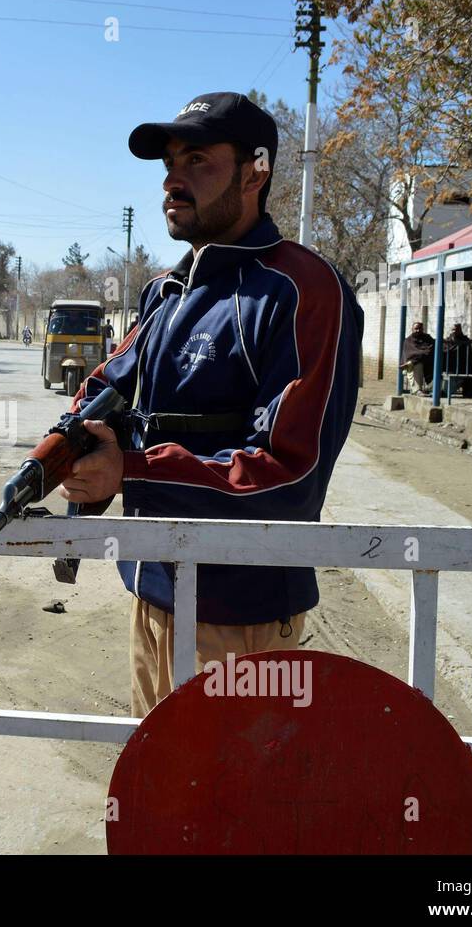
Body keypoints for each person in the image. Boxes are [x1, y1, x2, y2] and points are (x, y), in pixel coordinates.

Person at [58, 91, 363, 718]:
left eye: (197, 159)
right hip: (155, 591)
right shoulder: (167, 290)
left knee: (235, 809)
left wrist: (134, 469)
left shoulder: (303, 290)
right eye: (169, 163)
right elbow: (107, 385)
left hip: (239, 611)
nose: (173, 179)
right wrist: (71, 443)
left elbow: (292, 476)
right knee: (159, 799)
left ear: (257, 169)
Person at [443, 323, 472, 398]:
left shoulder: (465, 340)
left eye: (457, 330)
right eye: (453, 330)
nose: (455, 331)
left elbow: (469, 355)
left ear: (460, 330)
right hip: (451, 365)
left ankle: (469, 393)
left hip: (465, 365)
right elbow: (446, 352)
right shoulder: (448, 341)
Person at [400, 322, 435, 394]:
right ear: (412, 329)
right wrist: (417, 357)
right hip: (415, 362)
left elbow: (430, 350)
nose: (418, 330)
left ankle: (432, 388)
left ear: (423, 329)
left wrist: (420, 354)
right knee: (416, 365)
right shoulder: (408, 340)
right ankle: (417, 390)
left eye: (420, 329)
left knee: (434, 367)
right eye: (416, 329)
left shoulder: (427, 338)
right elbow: (408, 353)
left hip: (428, 360)